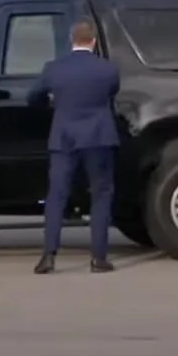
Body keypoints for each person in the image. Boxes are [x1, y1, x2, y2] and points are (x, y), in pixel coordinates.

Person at [33, 19, 121, 274]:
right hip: (98, 137)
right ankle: (99, 258)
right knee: (101, 194)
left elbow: (33, 96)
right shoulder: (107, 69)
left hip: (64, 137)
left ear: (72, 40)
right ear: (93, 41)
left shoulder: (54, 69)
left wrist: (52, 105)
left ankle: (49, 256)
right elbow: (112, 93)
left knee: (57, 196)